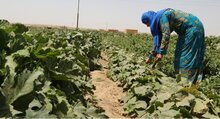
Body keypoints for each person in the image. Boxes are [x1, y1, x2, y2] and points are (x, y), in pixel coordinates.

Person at [141, 8, 205, 86]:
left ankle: (187, 84)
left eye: (147, 23)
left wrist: (161, 52)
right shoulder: (159, 17)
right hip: (185, 31)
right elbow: (159, 38)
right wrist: (151, 56)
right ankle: (184, 80)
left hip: (192, 28)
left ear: (150, 18)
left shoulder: (162, 17)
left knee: (185, 57)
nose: (148, 26)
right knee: (179, 55)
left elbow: (166, 34)